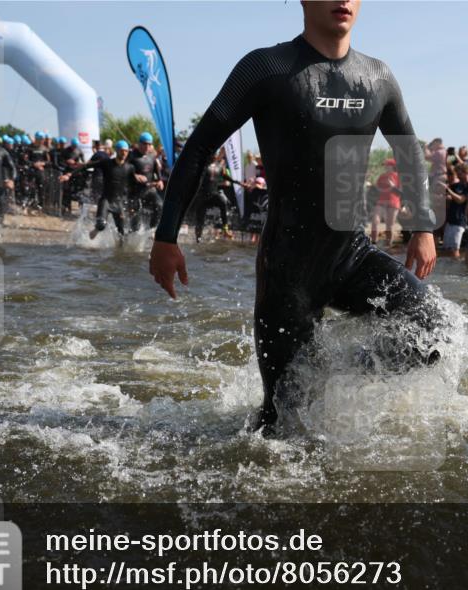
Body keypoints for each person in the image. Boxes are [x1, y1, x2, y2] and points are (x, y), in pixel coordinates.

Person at [150, 0, 440, 430]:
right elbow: (198, 148)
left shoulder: (378, 76)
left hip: (351, 256)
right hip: (288, 270)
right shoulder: (267, 68)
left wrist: (422, 226)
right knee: (283, 418)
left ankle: (338, 379)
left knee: (431, 331)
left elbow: (407, 150)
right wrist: (166, 236)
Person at [60, 139, 146, 237]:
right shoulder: (107, 163)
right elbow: (86, 166)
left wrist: (140, 179)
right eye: (122, 150)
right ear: (117, 151)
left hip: (119, 203)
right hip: (106, 200)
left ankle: (119, 250)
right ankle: (96, 230)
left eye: (126, 151)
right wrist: (69, 174)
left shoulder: (130, 168)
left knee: (122, 233)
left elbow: (133, 186)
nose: (124, 153)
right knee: (101, 224)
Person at [128, 132, 164, 230]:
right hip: (135, 192)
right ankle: (128, 238)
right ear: (139, 143)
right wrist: (134, 175)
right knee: (136, 226)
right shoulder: (131, 156)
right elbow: (123, 170)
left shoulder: (152, 156)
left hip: (149, 190)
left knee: (160, 205)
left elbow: (156, 169)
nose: (147, 146)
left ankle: (152, 230)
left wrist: (160, 180)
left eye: (149, 144)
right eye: (144, 144)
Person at [442, 163, 468, 259]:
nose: (457, 175)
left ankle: (456, 270)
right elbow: (449, 199)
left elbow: (461, 199)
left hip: (460, 221)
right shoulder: (455, 186)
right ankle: (449, 270)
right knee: (446, 248)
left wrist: (448, 190)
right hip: (450, 220)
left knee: (455, 249)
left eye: (459, 173)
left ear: (466, 172)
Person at [370, 158, 400, 245]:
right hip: (381, 201)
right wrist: (372, 186)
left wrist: (393, 186)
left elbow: (401, 192)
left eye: (387, 165)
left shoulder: (398, 176)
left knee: (389, 226)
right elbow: (377, 189)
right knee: (375, 221)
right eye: (385, 165)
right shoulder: (382, 176)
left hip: (393, 202)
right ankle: (373, 243)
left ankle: (388, 244)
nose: (385, 166)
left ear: (392, 166)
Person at [243, 176, 269, 244]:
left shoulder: (265, 193)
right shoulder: (254, 191)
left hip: (260, 217)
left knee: (257, 236)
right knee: (253, 236)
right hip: (254, 216)